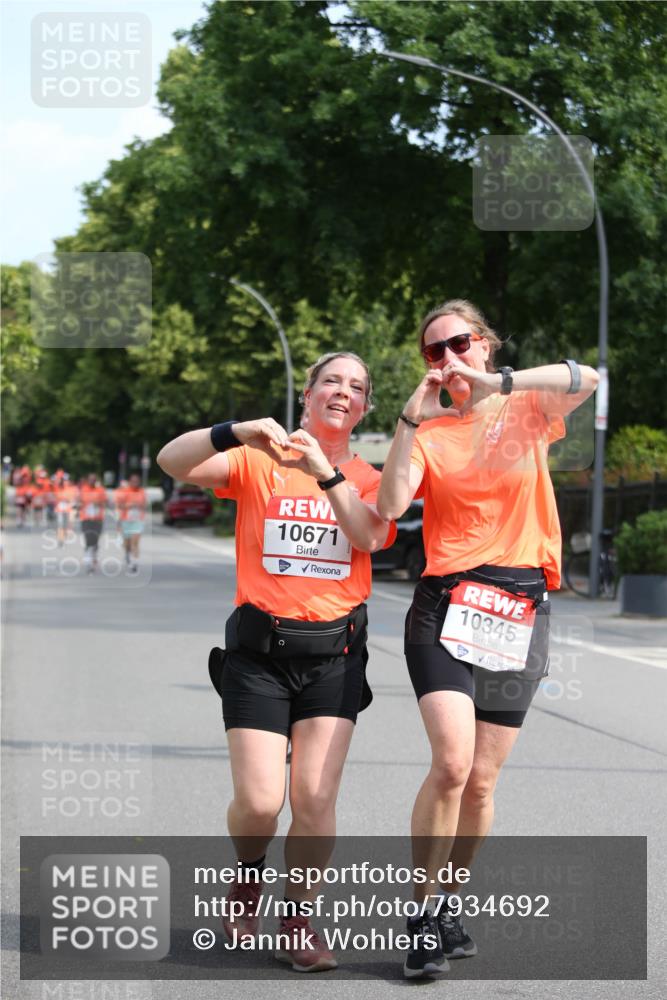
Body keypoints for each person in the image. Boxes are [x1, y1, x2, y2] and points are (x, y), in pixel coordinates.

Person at [377, 299, 599, 978]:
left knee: (479, 782)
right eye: (431, 352)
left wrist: (501, 385)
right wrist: (409, 421)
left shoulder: (526, 408)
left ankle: (448, 902)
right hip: (445, 607)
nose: (445, 359)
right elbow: (387, 507)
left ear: (484, 344)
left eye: (456, 344)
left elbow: (587, 377)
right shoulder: (431, 434)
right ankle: (417, 914)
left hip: (517, 608)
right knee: (450, 763)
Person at [157, 352, 396, 973]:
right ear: (308, 397)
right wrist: (235, 430)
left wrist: (327, 474)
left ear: (364, 407)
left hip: (334, 658)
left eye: (357, 387)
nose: (343, 392)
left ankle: (298, 919)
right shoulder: (261, 462)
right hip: (259, 656)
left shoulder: (371, 477)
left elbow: (370, 537)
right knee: (262, 803)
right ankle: (246, 875)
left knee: (314, 799)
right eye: (331, 382)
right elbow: (172, 462)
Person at [114, 472, 148, 573]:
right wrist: (129, 505)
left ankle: (135, 563)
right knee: (127, 544)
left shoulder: (142, 492)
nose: (135, 483)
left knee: (135, 542)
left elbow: (145, 506)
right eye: (133, 481)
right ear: (129, 482)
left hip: (138, 521)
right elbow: (119, 506)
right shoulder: (124, 491)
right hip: (126, 520)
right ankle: (127, 554)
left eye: (137, 481)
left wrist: (140, 506)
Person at [78, 473, 108, 574]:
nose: (92, 481)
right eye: (90, 479)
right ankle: (88, 560)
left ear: (96, 481)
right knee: (88, 538)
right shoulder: (83, 490)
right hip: (86, 518)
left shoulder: (100, 490)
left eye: (94, 479)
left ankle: (93, 554)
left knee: (95, 539)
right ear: (88, 480)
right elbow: (78, 501)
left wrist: (98, 503)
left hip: (98, 518)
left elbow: (105, 502)